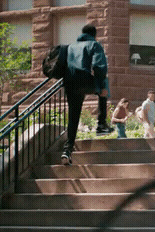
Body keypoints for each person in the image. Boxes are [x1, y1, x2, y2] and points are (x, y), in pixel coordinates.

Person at [61, 24, 108, 165]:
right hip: (85, 81)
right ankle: (101, 124)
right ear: (94, 34)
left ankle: (67, 150)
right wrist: (100, 87)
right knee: (105, 85)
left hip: (69, 83)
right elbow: (99, 66)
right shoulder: (94, 45)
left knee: (73, 116)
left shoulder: (70, 46)